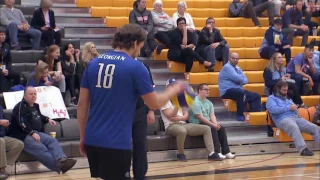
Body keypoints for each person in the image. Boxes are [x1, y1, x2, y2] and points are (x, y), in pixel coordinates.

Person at [77, 23, 186, 180]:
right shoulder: (135, 67)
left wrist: (82, 136)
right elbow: (154, 103)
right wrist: (173, 90)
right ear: (135, 44)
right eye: (141, 46)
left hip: (93, 140)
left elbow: (82, 105)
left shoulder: (93, 64)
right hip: (116, 142)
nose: (140, 50)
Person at [9, 86, 77, 173]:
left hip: (37, 133)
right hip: (23, 135)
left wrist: (48, 119)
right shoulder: (19, 107)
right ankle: (60, 166)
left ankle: (61, 159)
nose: (33, 96)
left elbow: (40, 117)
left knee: (52, 141)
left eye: (35, 94)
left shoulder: (36, 106)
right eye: (31, 94)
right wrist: (31, 132)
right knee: (41, 148)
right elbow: (21, 122)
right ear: (25, 96)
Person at [160, 79, 223, 162]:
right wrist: (177, 105)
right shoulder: (163, 100)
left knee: (206, 128)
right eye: (171, 86)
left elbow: (186, 115)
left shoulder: (181, 97)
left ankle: (211, 153)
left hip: (183, 123)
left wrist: (180, 117)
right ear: (167, 88)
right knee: (182, 131)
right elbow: (170, 116)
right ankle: (180, 153)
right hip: (171, 125)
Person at [266, 81, 320, 156]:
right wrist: (289, 108)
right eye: (283, 90)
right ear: (277, 89)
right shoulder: (271, 99)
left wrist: (295, 108)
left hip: (295, 117)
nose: (285, 92)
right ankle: (303, 149)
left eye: (286, 90)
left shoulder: (288, 99)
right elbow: (273, 110)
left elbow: (295, 111)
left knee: (314, 128)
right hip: (282, 119)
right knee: (294, 127)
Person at [189, 84, 235, 160]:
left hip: (207, 121)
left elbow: (212, 115)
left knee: (221, 128)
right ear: (200, 91)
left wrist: (216, 123)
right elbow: (200, 117)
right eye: (206, 89)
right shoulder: (195, 102)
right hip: (197, 123)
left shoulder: (209, 103)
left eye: (208, 89)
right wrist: (213, 125)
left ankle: (226, 151)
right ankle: (217, 152)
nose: (208, 91)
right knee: (212, 128)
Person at [218, 52, 261, 121]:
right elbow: (239, 78)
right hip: (227, 91)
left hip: (238, 90)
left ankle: (253, 115)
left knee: (256, 96)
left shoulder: (238, 68)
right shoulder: (227, 67)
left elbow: (246, 80)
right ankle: (240, 115)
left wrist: (239, 79)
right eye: (233, 58)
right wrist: (240, 79)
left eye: (237, 59)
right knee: (241, 93)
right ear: (229, 58)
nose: (235, 60)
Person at [131, 59, 155, 180]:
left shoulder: (143, 66)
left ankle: (140, 175)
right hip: (121, 110)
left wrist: (151, 109)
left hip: (140, 109)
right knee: (122, 145)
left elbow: (150, 90)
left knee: (140, 144)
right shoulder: (119, 64)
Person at [0, 105, 24, 180]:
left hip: (2, 136)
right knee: (1, 141)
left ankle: (2, 166)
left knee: (18, 144)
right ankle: (1, 170)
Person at [0, 28, 20, 93]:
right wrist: (1, 70)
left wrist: (8, 70)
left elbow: (9, 60)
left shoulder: (6, 46)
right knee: (2, 75)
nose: (3, 36)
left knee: (17, 74)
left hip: (5, 68)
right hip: (0, 70)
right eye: (1, 34)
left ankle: (16, 91)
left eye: (4, 34)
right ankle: (3, 95)